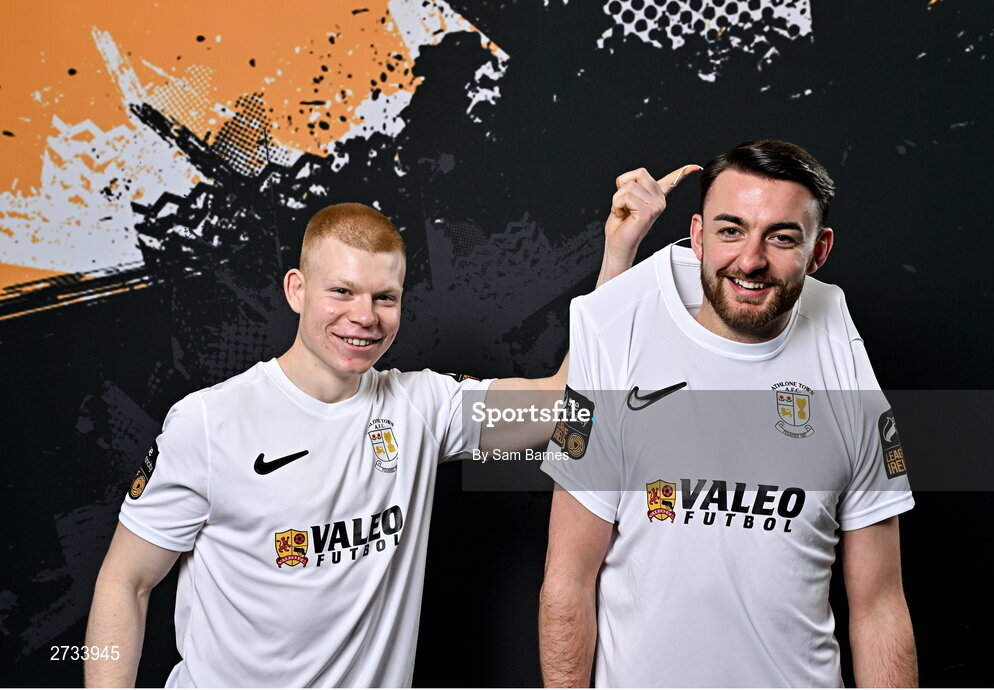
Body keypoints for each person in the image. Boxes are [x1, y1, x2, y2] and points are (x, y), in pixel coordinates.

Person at [84, 165, 697, 688]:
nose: (364, 317)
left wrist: (618, 249)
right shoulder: (208, 422)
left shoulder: (419, 406)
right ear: (297, 290)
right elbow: (125, 583)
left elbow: (560, 404)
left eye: (385, 297)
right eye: (342, 291)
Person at [539, 139, 917, 687]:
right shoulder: (622, 346)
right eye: (730, 230)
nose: (750, 260)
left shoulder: (846, 371)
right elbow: (568, 581)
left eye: (782, 237)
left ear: (819, 250)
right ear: (697, 236)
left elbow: (880, 606)